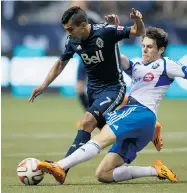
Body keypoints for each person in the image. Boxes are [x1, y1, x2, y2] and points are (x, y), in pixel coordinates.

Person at [37, 25, 187, 184]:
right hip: (141, 124)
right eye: (143, 46)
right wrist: (110, 39)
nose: (145, 50)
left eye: (150, 47)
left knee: (98, 135)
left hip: (139, 113)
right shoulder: (137, 66)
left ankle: (60, 166)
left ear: (161, 50)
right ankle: (155, 170)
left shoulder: (166, 64)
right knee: (103, 174)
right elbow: (117, 57)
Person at [29, 6, 146, 167]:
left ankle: (62, 167)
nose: (68, 33)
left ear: (83, 25)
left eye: (70, 29)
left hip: (113, 88)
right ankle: (147, 129)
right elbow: (60, 65)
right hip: (93, 91)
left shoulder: (106, 31)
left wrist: (138, 20)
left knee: (86, 121)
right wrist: (43, 86)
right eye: (66, 29)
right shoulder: (72, 41)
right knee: (106, 129)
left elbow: (137, 32)